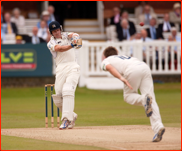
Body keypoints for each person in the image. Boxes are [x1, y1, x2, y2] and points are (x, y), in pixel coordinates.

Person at [101, 46, 165, 142]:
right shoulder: (123, 57)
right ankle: (158, 126)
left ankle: (143, 99)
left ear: (105, 56)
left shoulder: (106, 60)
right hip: (144, 67)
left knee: (128, 96)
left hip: (133, 70)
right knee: (151, 98)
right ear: (116, 53)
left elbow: (109, 67)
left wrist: (121, 78)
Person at [47, 21, 82, 129]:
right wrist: (72, 45)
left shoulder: (66, 35)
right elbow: (59, 49)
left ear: (60, 29)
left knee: (68, 90)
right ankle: (72, 115)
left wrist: (76, 37)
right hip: (60, 68)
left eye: (57, 30)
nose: (56, 32)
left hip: (72, 66)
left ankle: (67, 120)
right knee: (58, 96)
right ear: (51, 33)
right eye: (54, 31)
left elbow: (75, 36)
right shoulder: (50, 43)